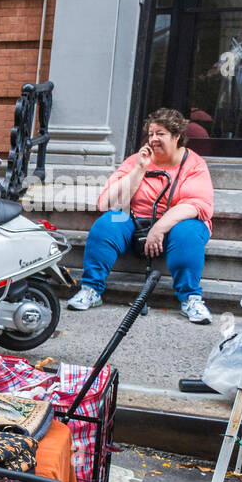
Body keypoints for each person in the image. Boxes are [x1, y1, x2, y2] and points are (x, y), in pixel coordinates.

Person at [67, 107, 214, 324]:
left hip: (175, 225)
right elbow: (107, 201)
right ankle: (90, 289)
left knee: (189, 232)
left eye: (161, 134)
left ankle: (191, 298)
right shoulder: (137, 160)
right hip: (135, 220)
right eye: (151, 133)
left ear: (177, 137)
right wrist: (139, 169)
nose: (154, 139)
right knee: (107, 224)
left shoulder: (194, 165)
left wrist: (159, 228)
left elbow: (196, 204)